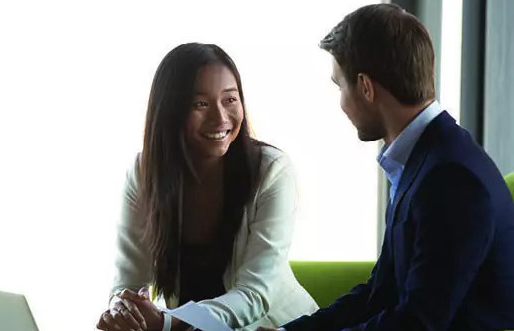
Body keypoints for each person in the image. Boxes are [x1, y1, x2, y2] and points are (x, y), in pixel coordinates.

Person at [259, 3, 514, 331]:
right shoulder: (424, 161)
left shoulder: (450, 178)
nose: (340, 104)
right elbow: (380, 293)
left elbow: (419, 322)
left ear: (365, 87)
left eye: (339, 86)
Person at [96, 43, 318, 331]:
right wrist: (122, 311)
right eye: (200, 104)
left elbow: (255, 296)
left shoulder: (272, 171)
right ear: (170, 110)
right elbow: (128, 283)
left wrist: (167, 321)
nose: (220, 118)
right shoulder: (143, 173)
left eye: (230, 100)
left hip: (277, 327)